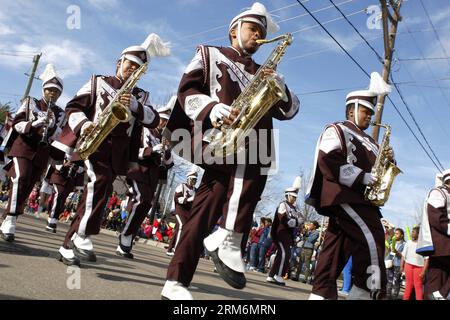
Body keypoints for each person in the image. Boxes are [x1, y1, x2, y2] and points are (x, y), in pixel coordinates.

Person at [161, 2, 300, 300]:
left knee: (201, 215)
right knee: (252, 168)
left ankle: (175, 283)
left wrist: (282, 87)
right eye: (253, 29)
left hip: (250, 146)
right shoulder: (209, 54)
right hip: (218, 139)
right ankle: (228, 239)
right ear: (234, 31)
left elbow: (289, 112)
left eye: (262, 31)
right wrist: (212, 109)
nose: (258, 35)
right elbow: (186, 89)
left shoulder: (265, 71)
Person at [52, 33, 169, 266]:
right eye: (130, 65)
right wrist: (84, 124)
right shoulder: (98, 81)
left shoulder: (140, 96)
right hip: (93, 145)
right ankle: (83, 235)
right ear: (120, 63)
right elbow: (73, 107)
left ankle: (68, 243)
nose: (132, 70)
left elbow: (154, 120)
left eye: (138, 68)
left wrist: (135, 106)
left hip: (117, 153)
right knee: (100, 183)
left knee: (98, 194)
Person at [305, 72, 394, 300]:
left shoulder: (372, 141)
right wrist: (361, 177)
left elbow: (379, 172)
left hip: (361, 198)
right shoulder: (338, 128)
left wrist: (388, 160)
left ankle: (321, 293)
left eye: (372, 113)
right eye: (366, 111)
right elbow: (328, 159)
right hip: (343, 195)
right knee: (373, 235)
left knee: (337, 247)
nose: (370, 117)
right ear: (351, 109)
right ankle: (365, 290)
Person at [0, 64, 65, 242]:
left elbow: (60, 134)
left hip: (42, 154)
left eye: (56, 92)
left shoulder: (60, 113)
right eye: (50, 90)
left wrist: (51, 127)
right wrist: (34, 124)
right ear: (44, 90)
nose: (52, 93)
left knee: (27, 186)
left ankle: (8, 216)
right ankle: (11, 220)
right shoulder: (31, 102)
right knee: (20, 179)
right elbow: (17, 122)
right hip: (23, 148)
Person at [116, 98, 174, 259]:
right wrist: (151, 150)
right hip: (137, 170)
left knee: (146, 204)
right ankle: (126, 236)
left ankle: (128, 234)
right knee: (141, 199)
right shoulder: (142, 130)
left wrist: (166, 150)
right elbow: (133, 149)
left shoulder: (164, 138)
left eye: (166, 122)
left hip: (152, 177)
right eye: (162, 120)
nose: (163, 124)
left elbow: (169, 164)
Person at [417, 170, 450, 300]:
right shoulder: (438, 192)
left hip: (444, 247)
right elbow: (436, 216)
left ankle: (436, 294)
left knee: (435, 279)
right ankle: (440, 294)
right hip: (442, 244)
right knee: (436, 279)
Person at [267, 180, 304, 286]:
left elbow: (300, 219)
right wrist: (295, 221)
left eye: (295, 197)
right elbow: (284, 220)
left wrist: (295, 221)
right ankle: (278, 275)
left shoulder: (294, 208)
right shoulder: (283, 205)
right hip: (281, 233)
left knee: (281, 254)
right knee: (285, 254)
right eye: (292, 196)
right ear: (287, 195)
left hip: (287, 234)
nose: (294, 198)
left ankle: (271, 275)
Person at [166, 168, 197, 256]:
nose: (193, 181)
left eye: (195, 180)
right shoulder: (181, 186)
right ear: (188, 179)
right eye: (192, 179)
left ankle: (170, 249)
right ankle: (176, 249)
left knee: (179, 230)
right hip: (180, 210)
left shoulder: (195, 190)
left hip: (188, 212)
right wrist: (188, 199)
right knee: (182, 226)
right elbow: (177, 198)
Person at [400, 226, 428, 300]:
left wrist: (424, 271)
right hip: (408, 265)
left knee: (418, 286)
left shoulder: (424, 245)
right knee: (408, 285)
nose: (411, 233)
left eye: (413, 232)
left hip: (419, 267)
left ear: (418, 234)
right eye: (412, 231)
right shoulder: (408, 243)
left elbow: (426, 259)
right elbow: (403, 256)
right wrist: (401, 266)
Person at [386, 228, 405, 299]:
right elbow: (389, 253)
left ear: (401, 235)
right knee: (389, 280)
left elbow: (403, 256)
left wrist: (396, 252)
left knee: (396, 281)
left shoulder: (404, 244)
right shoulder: (391, 242)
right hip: (390, 263)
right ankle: (388, 295)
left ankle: (395, 296)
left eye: (397, 234)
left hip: (398, 264)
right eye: (395, 233)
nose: (395, 235)